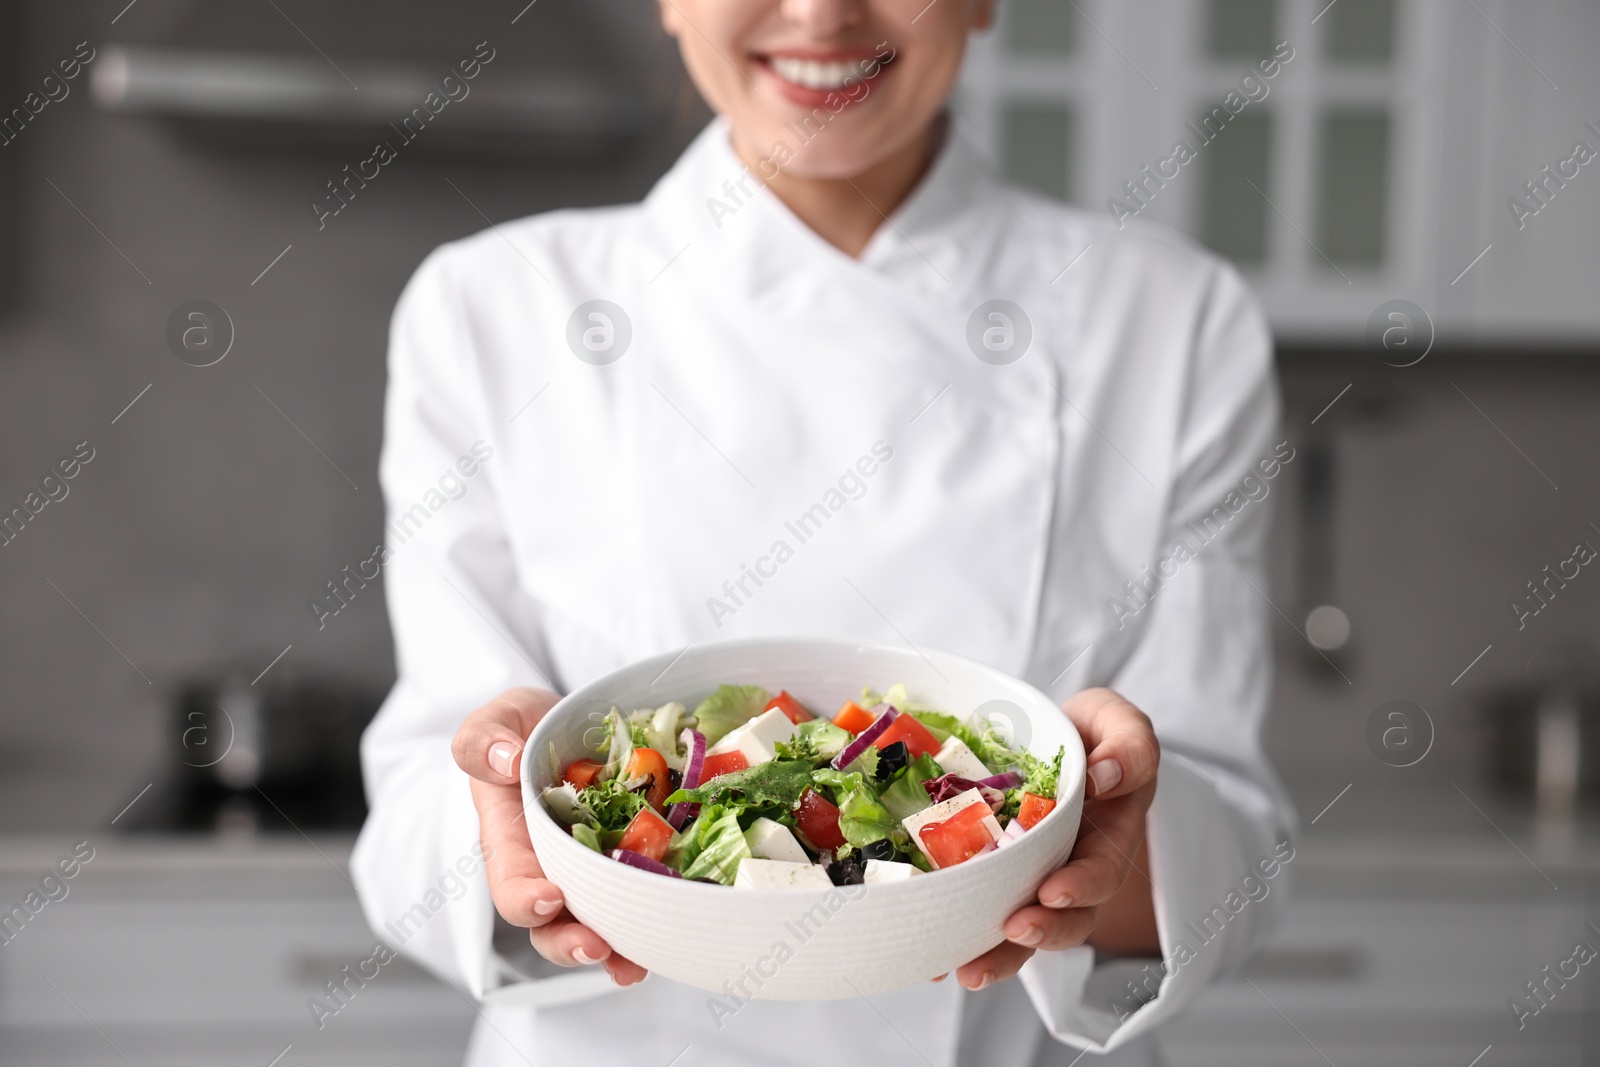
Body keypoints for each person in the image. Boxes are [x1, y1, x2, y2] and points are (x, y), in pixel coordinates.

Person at [350, 1, 1295, 1064]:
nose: (818, 11)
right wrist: (508, 810)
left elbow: (1231, 863)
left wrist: (1113, 835)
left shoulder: (1171, 321)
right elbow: (412, 842)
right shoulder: (493, 310)